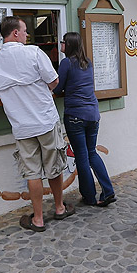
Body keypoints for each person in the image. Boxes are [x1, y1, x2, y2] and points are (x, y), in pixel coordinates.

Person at [0, 16, 73, 232]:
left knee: (32, 173)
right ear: (15, 33)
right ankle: (60, 207)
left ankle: (38, 219)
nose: (27, 35)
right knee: (53, 167)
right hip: (45, 119)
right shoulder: (34, 52)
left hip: (22, 126)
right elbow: (54, 82)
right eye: (25, 31)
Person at [54, 32, 115, 207]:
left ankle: (89, 196)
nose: (61, 45)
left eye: (63, 42)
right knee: (92, 153)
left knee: (81, 156)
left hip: (75, 116)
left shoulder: (66, 63)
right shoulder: (87, 63)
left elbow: (58, 88)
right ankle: (108, 190)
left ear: (69, 45)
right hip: (93, 115)